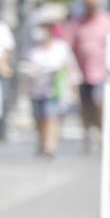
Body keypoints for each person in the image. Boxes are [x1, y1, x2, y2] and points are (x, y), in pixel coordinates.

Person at [67, 0, 110, 151]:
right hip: (83, 73)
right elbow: (71, 46)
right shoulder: (78, 23)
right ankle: (87, 134)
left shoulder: (108, 20)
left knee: (99, 102)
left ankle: (103, 134)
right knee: (85, 106)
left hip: (102, 73)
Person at [19, 13, 73, 158]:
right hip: (36, 89)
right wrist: (24, 87)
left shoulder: (61, 47)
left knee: (51, 116)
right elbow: (26, 68)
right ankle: (42, 142)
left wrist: (71, 87)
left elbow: (68, 67)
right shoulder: (32, 49)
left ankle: (50, 146)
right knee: (39, 118)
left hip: (53, 89)